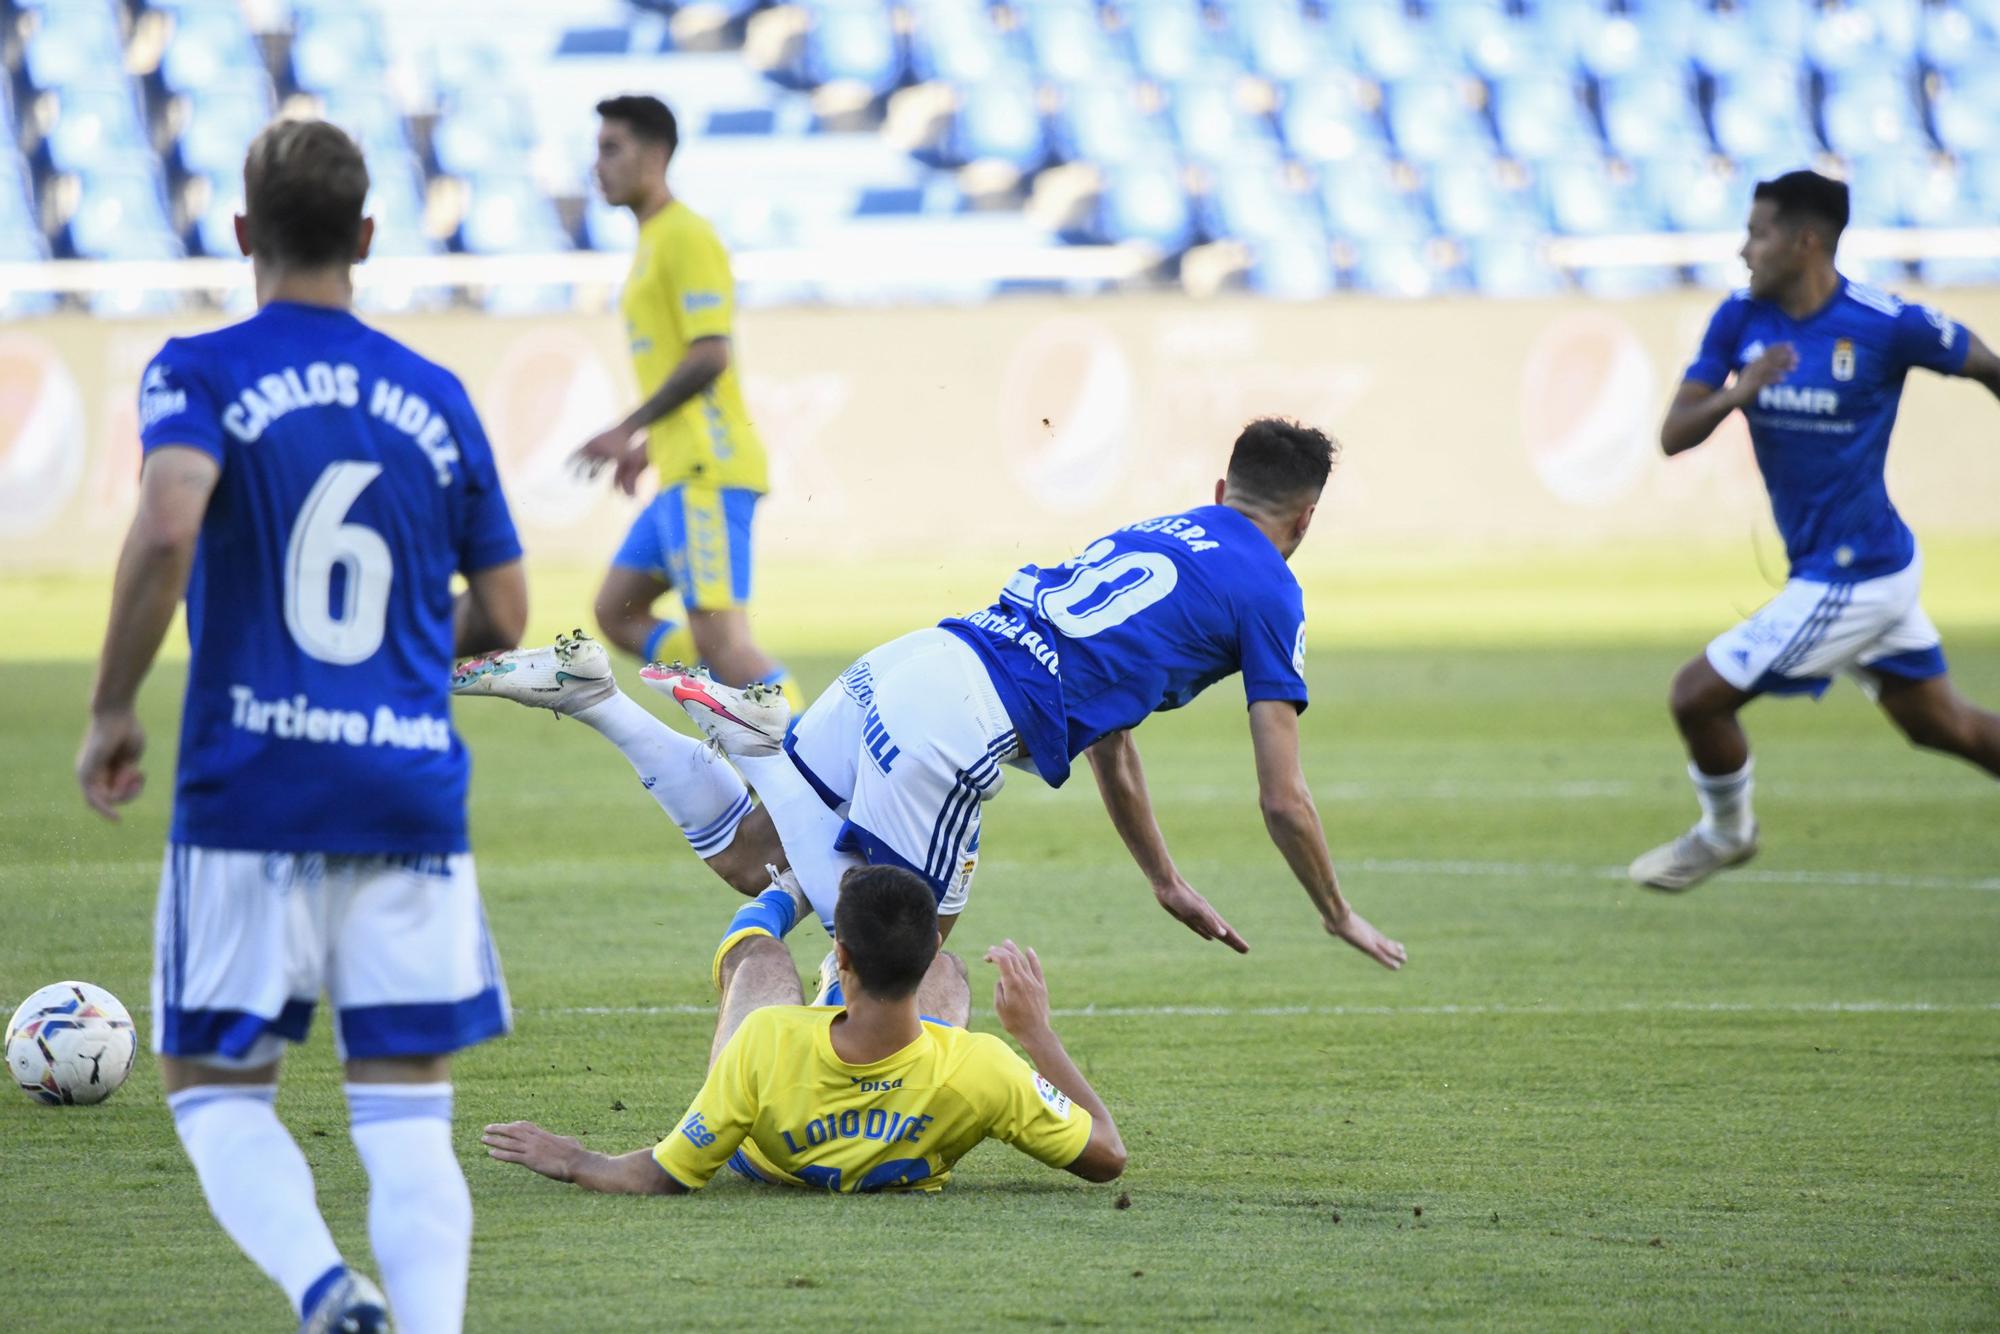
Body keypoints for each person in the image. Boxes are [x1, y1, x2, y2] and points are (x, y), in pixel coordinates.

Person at [75, 119, 528, 1334]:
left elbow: (169, 526)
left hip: (252, 785)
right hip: (406, 791)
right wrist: (400, 667)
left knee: (217, 1091)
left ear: (240, 233)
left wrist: (113, 704)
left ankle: (327, 1291)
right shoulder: (437, 394)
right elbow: (506, 607)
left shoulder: (199, 369)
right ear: (368, 237)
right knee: (405, 1116)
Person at [459, 418, 1406, 983]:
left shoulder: (1162, 527)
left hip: (919, 656)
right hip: (959, 731)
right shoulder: (1272, 592)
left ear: (1219, 488)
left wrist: (1162, 876)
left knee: (757, 858)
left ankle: (595, 697)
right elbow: (1283, 797)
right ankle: (758, 747)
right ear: (1306, 519)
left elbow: (1111, 736)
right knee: (894, 961)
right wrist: (1334, 910)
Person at [1630, 170, 2000, 891]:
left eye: (1758, 234)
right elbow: (1673, 436)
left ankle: (1726, 833)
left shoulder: (1887, 324)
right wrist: (1741, 391)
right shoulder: (1739, 321)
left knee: (1695, 695)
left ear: (1804, 243)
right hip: (1847, 569)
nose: (1744, 251)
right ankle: (1727, 831)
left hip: (1856, 574)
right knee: (1945, 728)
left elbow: (1987, 365)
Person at [482, 865, 1125, 1194]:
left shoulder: (768, 1040)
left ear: (842, 953)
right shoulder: (982, 1067)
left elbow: (662, 1175)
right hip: (919, 1093)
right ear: (926, 944)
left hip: (763, 1158)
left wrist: (571, 1158)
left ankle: (785, 891)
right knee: (954, 976)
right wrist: (1036, 1033)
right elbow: (1107, 1156)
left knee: (759, 958)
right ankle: (846, 948)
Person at [572, 93, 801, 710]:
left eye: (611, 148)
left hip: (709, 466)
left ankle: (818, 762)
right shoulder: (652, 240)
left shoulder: (686, 235)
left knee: (727, 642)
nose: (598, 164)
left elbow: (709, 355)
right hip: (680, 464)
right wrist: (648, 446)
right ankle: (724, 689)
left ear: (656, 154)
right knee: (617, 610)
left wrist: (625, 429)